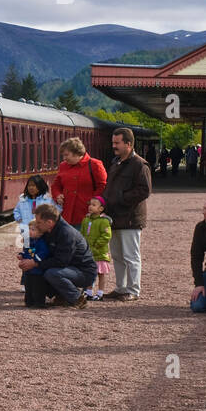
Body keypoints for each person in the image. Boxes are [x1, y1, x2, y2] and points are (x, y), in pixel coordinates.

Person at [17, 203, 97, 308]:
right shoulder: (47, 230)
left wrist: (35, 263)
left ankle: (78, 299)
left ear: (49, 222)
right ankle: (61, 297)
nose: (36, 225)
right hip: (69, 268)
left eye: (39, 222)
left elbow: (61, 261)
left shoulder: (66, 233)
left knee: (51, 273)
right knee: (38, 271)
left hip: (84, 272)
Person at [104, 127, 152, 301]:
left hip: (131, 218)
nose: (114, 146)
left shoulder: (140, 164)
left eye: (117, 143)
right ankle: (121, 287)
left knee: (131, 256)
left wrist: (120, 197)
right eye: (113, 142)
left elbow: (145, 190)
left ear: (128, 144)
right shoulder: (116, 162)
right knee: (117, 255)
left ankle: (133, 289)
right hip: (115, 217)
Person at [50, 137, 107, 227]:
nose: (64, 158)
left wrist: (93, 203)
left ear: (76, 153)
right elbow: (56, 185)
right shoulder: (63, 166)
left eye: (66, 155)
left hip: (86, 214)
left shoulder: (94, 164)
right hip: (67, 215)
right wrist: (57, 195)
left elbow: (102, 187)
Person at [79, 196, 112, 300]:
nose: (90, 206)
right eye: (90, 204)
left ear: (101, 209)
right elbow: (82, 233)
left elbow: (106, 235)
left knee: (100, 274)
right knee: (90, 273)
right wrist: (83, 244)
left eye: (94, 205)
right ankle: (88, 292)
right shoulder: (86, 219)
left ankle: (100, 293)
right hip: (89, 252)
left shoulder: (104, 221)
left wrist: (97, 245)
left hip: (100, 253)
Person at [13, 174, 55, 248]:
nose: (31, 188)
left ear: (40, 187)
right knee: (27, 251)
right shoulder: (23, 201)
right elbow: (16, 211)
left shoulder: (47, 200)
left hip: (42, 232)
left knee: (42, 250)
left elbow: (54, 213)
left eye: (34, 186)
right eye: (29, 186)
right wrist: (20, 220)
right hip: (27, 232)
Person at [20, 219, 51, 308]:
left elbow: (43, 253)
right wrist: (21, 255)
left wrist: (34, 261)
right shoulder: (27, 241)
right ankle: (29, 302)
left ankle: (39, 303)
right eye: (29, 229)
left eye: (33, 229)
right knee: (28, 286)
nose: (30, 231)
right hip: (28, 270)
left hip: (38, 270)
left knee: (37, 287)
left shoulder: (41, 242)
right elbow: (25, 252)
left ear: (40, 233)